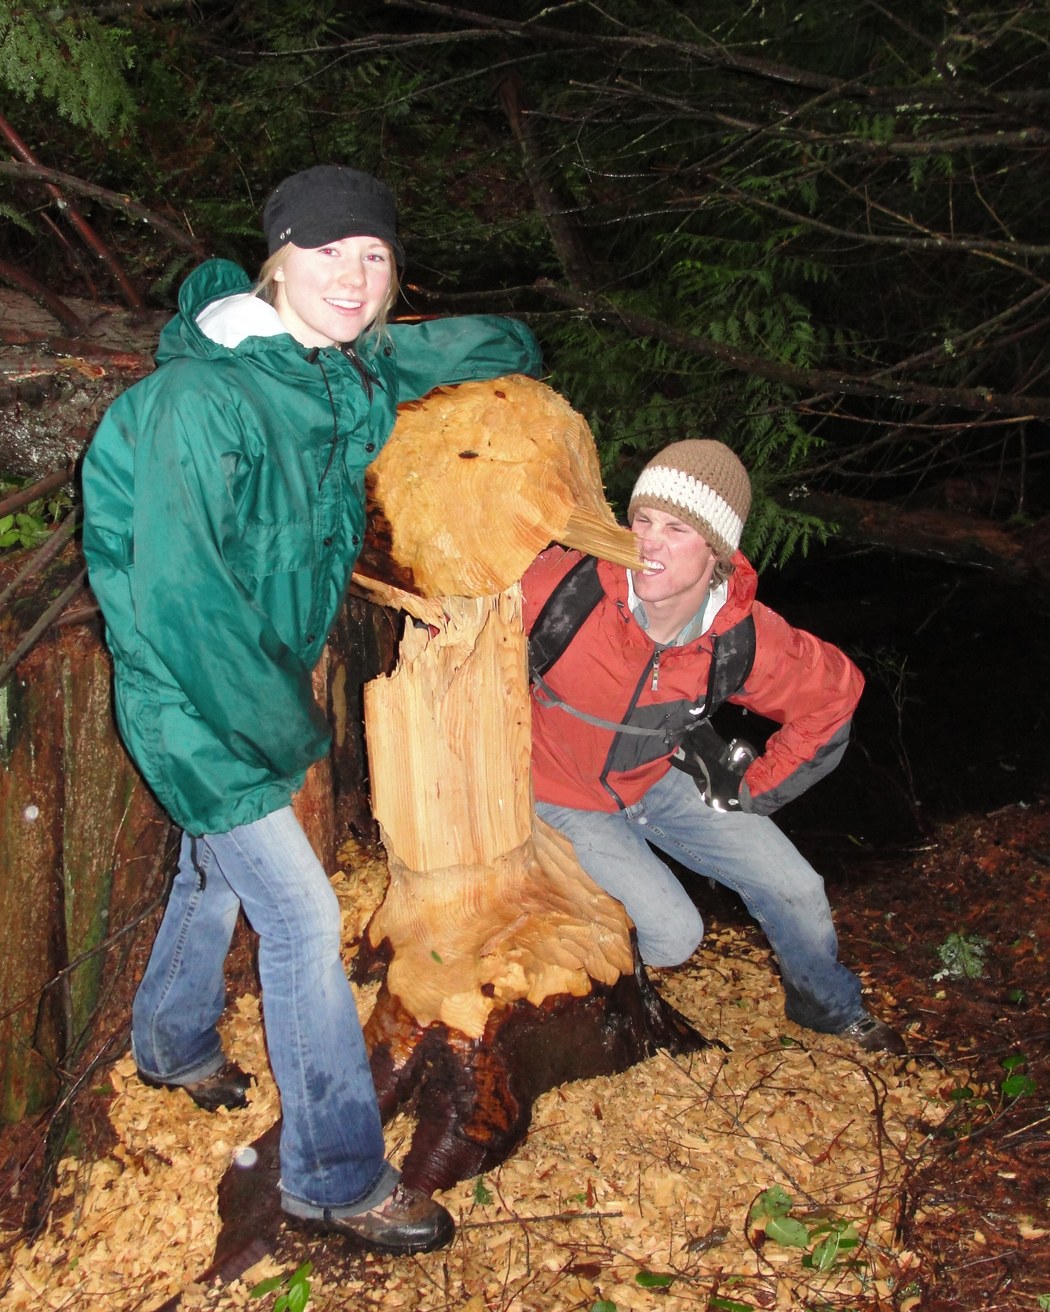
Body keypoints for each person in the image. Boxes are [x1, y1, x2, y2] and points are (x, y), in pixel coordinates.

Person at [81, 164, 543, 1256]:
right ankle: (334, 1176)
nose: (355, 275)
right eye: (329, 252)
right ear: (277, 257)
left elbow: (417, 352)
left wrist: (520, 342)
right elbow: (183, 603)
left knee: (210, 865)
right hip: (195, 692)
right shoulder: (202, 401)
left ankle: (169, 1040)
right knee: (298, 917)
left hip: (255, 678)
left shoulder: (333, 370)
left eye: (375, 256)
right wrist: (286, 728)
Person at [522, 439, 905, 1053]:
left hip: (658, 778)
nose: (648, 543)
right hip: (558, 792)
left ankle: (828, 1009)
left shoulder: (737, 633)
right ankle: (569, 997)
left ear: (717, 550)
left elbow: (834, 696)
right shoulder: (564, 589)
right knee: (675, 936)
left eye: (676, 529)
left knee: (797, 887)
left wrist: (755, 789)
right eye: (642, 520)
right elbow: (459, 616)